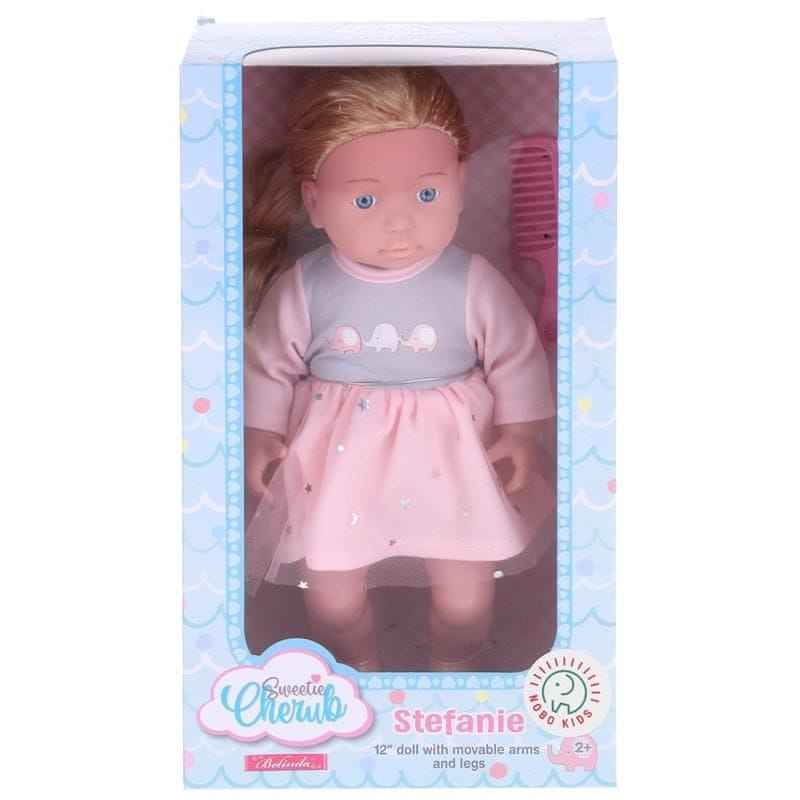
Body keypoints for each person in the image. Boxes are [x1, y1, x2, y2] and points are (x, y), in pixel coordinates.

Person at [243, 66, 555, 672]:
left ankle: (452, 674)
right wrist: (261, 433)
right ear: (314, 202)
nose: (400, 222)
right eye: (365, 200)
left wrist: (521, 432)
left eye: (427, 194)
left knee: (466, 597)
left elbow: (516, 355)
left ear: (461, 183)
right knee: (331, 596)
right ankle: (357, 677)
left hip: (452, 456)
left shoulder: (470, 279)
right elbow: (268, 363)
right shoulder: (307, 285)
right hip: (339, 460)